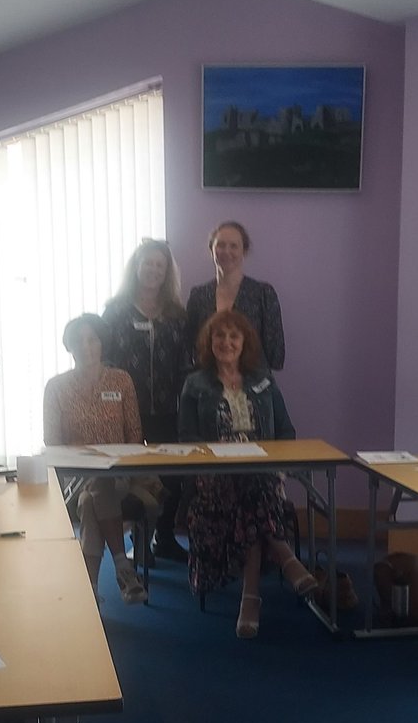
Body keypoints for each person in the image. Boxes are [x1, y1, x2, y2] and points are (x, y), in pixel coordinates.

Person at [178, 309, 315, 638]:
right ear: (209, 343)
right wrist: (217, 459)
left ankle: (251, 599)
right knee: (250, 493)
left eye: (233, 336)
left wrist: (277, 465)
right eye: (219, 336)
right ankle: (284, 558)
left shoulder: (263, 380)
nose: (226, 342)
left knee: (255, 486)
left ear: (244, 343)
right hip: (214, 475)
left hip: (261, 470)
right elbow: (187, 438)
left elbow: (286, 431)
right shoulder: (195, 384)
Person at [43, 313, 162, 603]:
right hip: (74, 478)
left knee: (94, 494)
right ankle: (123, 566)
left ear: (102, 344)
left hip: (120, 474)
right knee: (92, 489)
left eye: (92, 340)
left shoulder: (121, 381)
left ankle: (91, 592)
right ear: (68, 347)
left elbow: (134, 437)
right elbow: (52, 443)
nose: (85, 347)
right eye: (78, 341)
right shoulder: (56, 387)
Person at [103, 238, 190, 562]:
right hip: (126, 408)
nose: (153, 270)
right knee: (134, 476)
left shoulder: (178, 315)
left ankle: (163, 537)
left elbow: (186, 361)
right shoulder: (115, 310)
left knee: (172, 476)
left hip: (168, 409)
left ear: (167, 273)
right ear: (136, 267)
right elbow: (106, 361)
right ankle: (139, 541)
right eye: (147, 263)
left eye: (160, 265)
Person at [185, 221, 285, 372]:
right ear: (211, 250)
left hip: (253, 386)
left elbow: (276, 356)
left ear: (244, 251)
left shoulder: (263, 294)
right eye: (221, 245)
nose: (226, 251)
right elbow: (190, 348)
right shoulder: (198, 296)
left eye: (233, 246)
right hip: (207, 386)